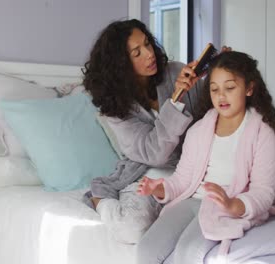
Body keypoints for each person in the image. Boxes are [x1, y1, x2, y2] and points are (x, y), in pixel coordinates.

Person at [136, 51, 275, 263]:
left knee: (188, 252)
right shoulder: (199, 130)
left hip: (224, 205)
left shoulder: (262, 132)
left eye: (230, 88)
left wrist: (233, 204)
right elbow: (182, 180)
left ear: (249, 88)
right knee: (146, 250)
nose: (221, 96)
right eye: (214, 89)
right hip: (191, 201)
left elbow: (263, 191)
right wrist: (159, 188)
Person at [81, 18, 203, 244]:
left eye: (147, 44)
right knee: (132, 229)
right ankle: (100, 200)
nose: (149, 54)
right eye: (137, 53)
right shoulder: (114, 108)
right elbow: (154, 154)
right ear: (120, 64)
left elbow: (211, 114)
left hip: (191, 167)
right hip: (148, 171)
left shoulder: (175, 72)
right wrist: (175, 101)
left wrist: (221, 72)